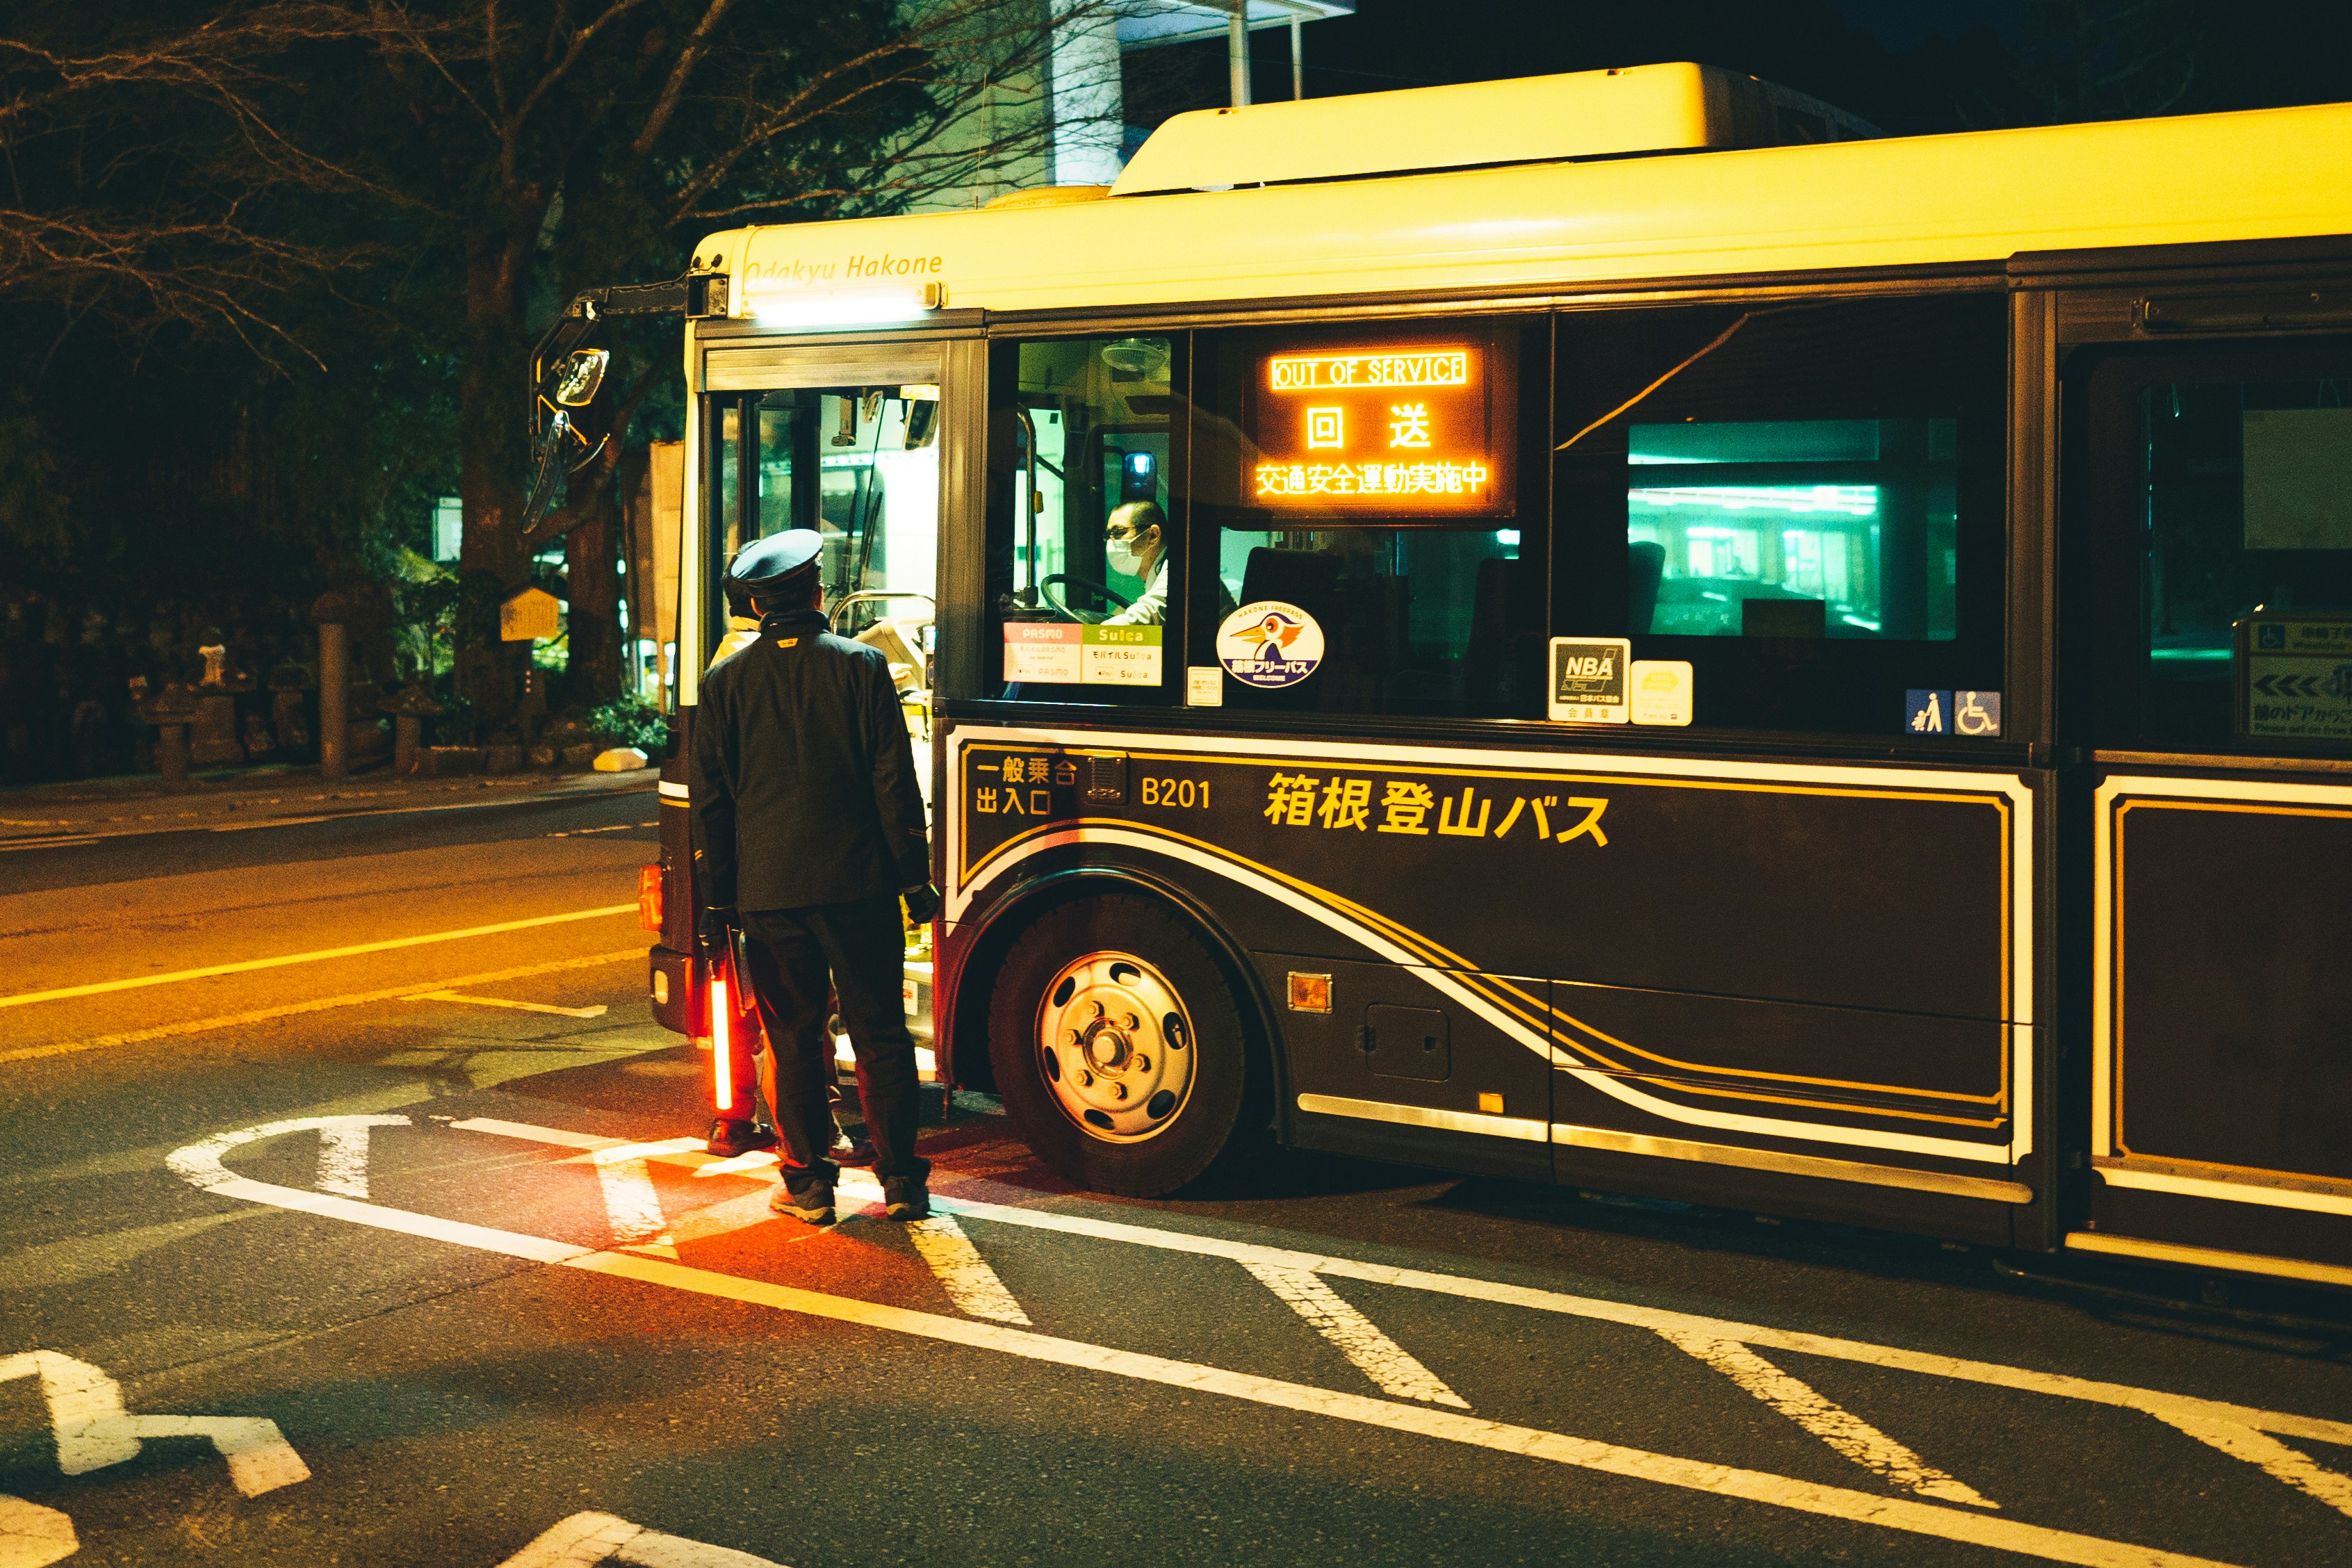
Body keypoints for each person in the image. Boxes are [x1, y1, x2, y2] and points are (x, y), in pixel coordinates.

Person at [690, 529, 941, 1225]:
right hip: (859, 887)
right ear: (818, 593)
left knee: (794, 1039)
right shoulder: (862, 667)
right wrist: (912, 881)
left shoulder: (725, 685)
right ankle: (901, 1184)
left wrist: (719, 903)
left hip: (769, 895)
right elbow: (893, 782)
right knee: (880, 1033)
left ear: (756, 607)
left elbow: (712, 804)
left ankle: (809, 1187)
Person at [1099, 500, 1236, 627]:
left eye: (1118, 532)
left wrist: (1088, 636)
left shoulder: (1184, 568)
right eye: (1108, 535)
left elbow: (1151, 615)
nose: (1111, 542)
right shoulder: (1159, 572)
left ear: (1153, 535)